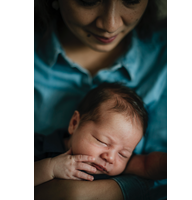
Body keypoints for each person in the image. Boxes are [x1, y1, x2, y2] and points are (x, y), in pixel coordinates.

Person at [34, 0, 167, 199]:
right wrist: (51, 168)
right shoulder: (43, 147)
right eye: (88, 1)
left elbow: (149, 167)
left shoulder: (114, 163)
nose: (110, 24)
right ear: (74, 123)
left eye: (131, 0)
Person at [34, 82, 167, 187]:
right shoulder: (40, 147)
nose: (110, 158)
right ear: (74, 123)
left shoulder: (114, 168)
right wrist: (50, 168)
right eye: (102, 141)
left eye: (123, 154)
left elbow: (147, 165)